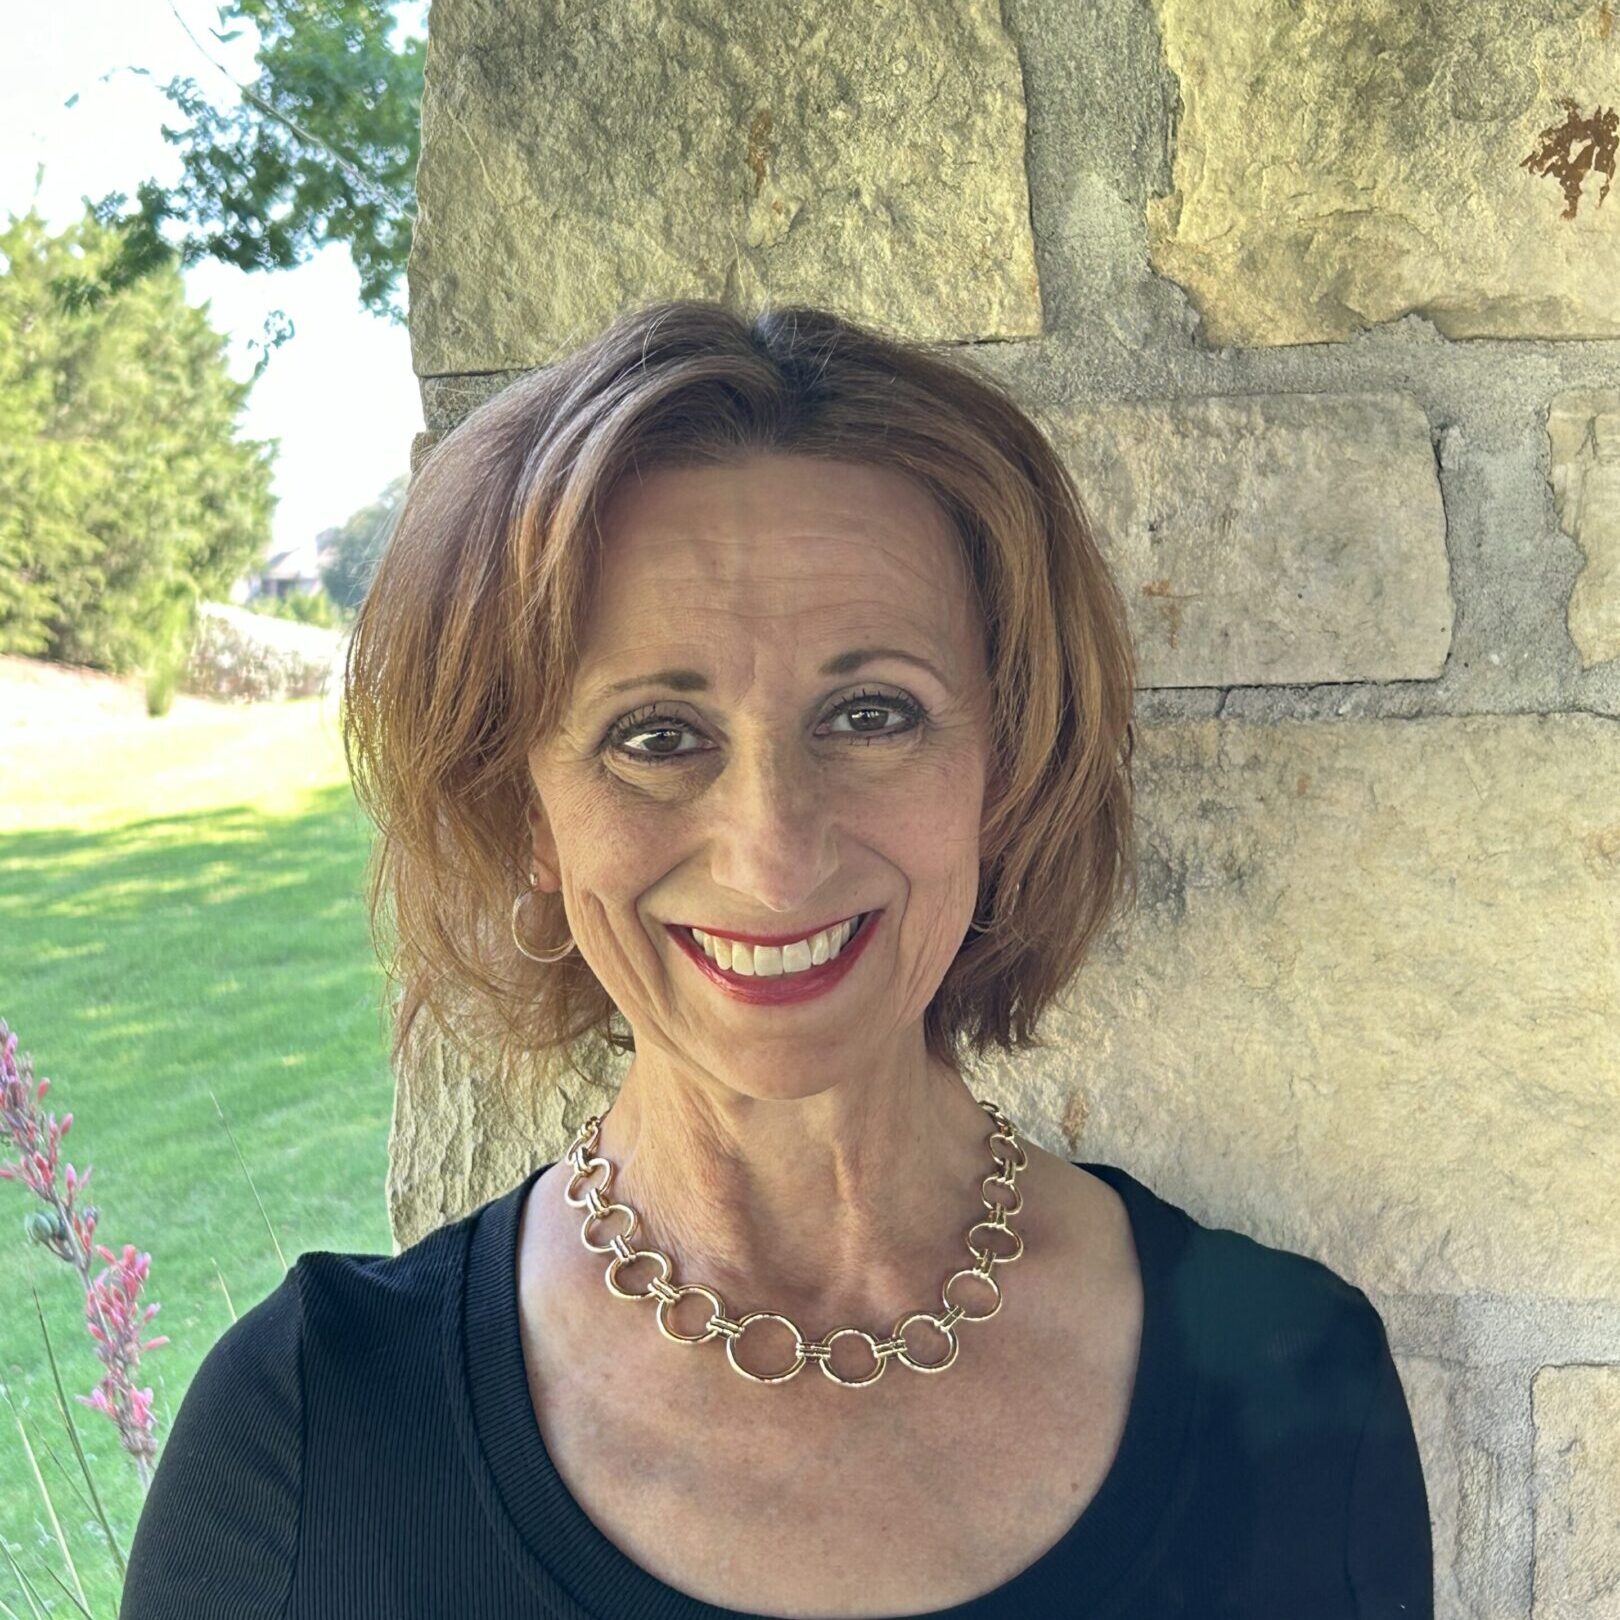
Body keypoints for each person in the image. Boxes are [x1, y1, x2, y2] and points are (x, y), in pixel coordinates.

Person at [119, 299, 1433, 1618]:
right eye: (655, 735)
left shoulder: (1297, 1388)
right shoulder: (309, 1436)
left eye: (871, 714)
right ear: (527, 815)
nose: (775, 859)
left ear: (1005, 767)